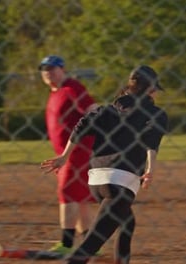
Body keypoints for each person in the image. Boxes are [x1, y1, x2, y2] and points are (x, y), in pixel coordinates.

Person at [40, 65, 168, 264]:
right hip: (121, 184)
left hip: (97, 181)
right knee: (87, 248)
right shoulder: (155, 113)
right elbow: (151, 142)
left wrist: (64, 156)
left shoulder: (108, 110)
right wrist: (150, 169)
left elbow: (81, 126)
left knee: (127, 222)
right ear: (151, 89)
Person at [38, 55, 98, 253]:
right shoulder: (55, 92)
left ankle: (66, 244)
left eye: (52, 68)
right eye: (44, 69)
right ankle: (91, 246)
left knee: (67, 194)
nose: (47, 72)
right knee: (80, 199)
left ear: (62, 69)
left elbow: (93, 110)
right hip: (67, 153)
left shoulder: (72, 87)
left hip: (77, 151)